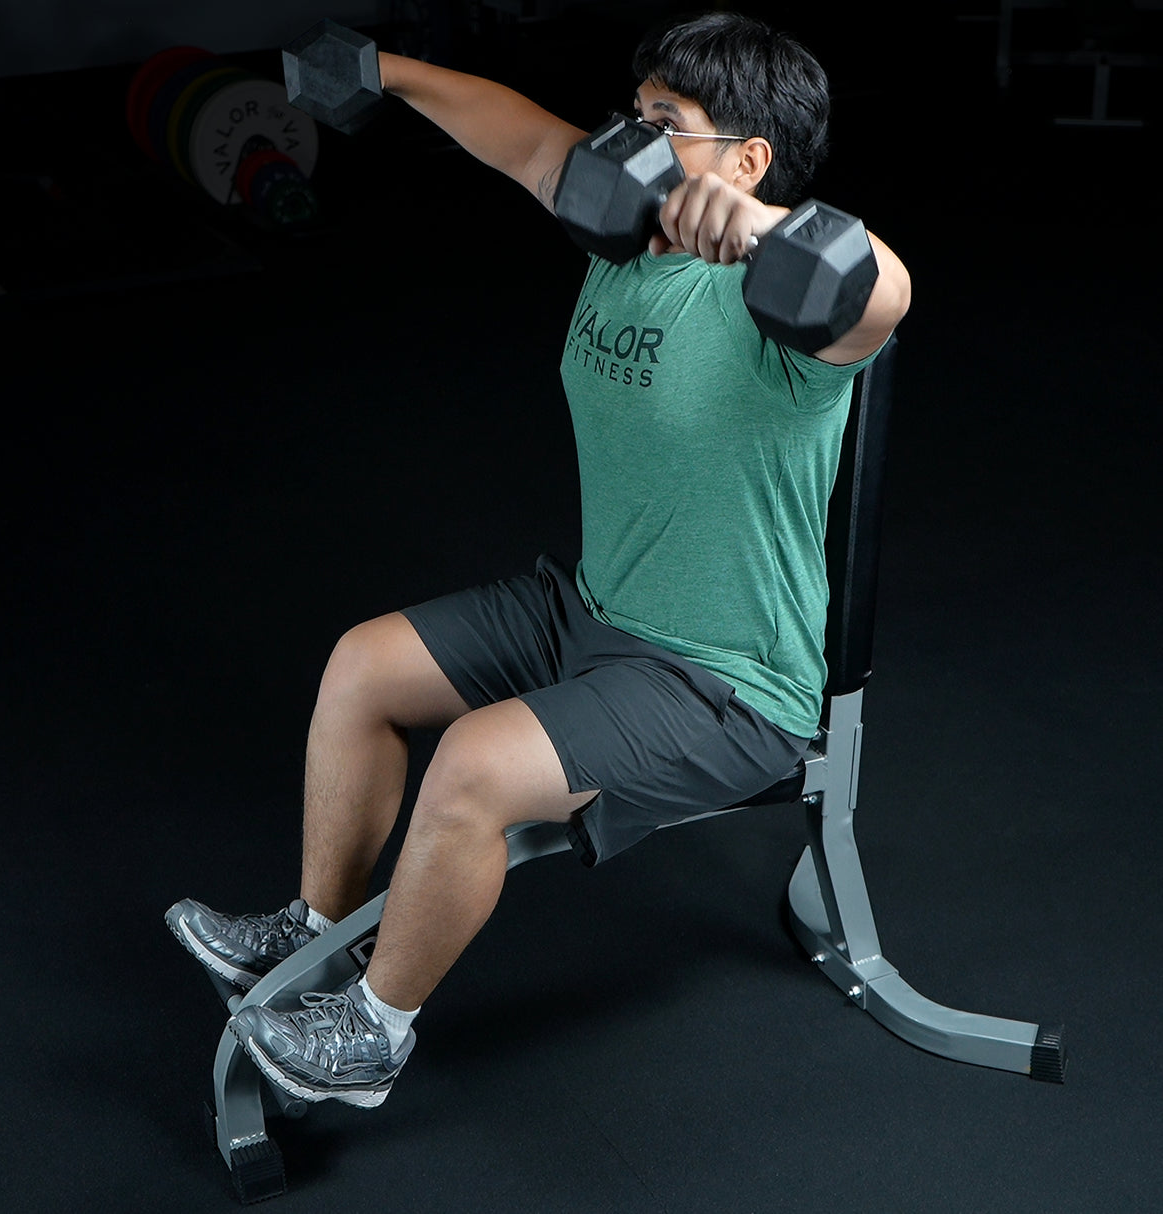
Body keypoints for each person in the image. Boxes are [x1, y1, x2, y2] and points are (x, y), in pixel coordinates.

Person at [166, 10, 910, 1110]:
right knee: (362, 666)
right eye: (633, 112)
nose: (628, 137)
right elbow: (517, 134)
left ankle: (373, 1032)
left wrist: (757, 226)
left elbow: (885, 291)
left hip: (721, 682)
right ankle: (313, 932)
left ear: (746, 159)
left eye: (666, 121)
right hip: (589, 610)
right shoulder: (627, 231)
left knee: (469, 766)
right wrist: (380, 69)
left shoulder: (788, 306)